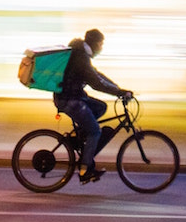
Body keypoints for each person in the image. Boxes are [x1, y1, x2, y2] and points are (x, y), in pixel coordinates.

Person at [54, 28, 132, 183]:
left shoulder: (81, 54)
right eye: (101, 44)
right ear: (95, 43)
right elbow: (96, 83)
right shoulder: (80, 57)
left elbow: (97, 75)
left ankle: (78, 138)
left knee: (100, 107)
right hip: (70, 100)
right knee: (95, 131)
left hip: (74, 97)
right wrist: (119, 93)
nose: (101, 48)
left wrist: (118, 89)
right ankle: (85, 170)